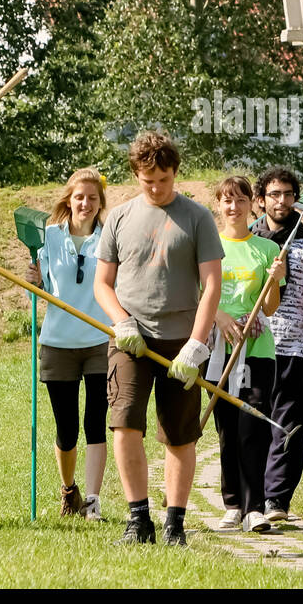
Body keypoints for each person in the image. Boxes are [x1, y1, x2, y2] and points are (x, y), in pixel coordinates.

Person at [94, 131, 223, 546]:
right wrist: (121, 321)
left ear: (175, 173)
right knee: (124, 423)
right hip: (130, 340)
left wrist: (196, 345)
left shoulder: (198, 217)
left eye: (163, 180)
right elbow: (102, 284)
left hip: (181, 342)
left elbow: (212, 286)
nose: (156, 188)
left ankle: (175, 524)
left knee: (179, 434)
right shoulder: (118, 217)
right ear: (136, 174)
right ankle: (138, 521)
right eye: (148, 180)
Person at [25, 167, 109, 520]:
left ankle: (92, 500)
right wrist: (34, 279)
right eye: (79, 197)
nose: (85, 204)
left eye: (92, 198)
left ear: (100, 202)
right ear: (68, 200)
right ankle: (69, 489)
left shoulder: (109, 239)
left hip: (101, 341)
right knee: (66, 428)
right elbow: (43, 286)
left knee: (96, 421)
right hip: (58, 342)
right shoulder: (47, 238)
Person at [208, 176, 287, 534]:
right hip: (217, 350)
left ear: (251, 204)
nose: (233, 207)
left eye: (240, 200)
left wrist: (275, 279)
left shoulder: (267, 249)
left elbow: (269, 308)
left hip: (257, 352)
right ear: (218, 205)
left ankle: (255, 507)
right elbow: (199, 297)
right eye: (227, 200)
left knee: (251, 427)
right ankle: (232, 504)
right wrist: (220, 316)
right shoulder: (208, 248)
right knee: (226, 429)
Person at [251, 166, 303, 523]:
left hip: (292, 347)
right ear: (261, 199)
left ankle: (276, 499)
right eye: (274, 194)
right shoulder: (249, 241)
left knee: (287, 425)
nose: (281, 201)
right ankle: (246, 499)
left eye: (287, 194)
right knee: (250, 424)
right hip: (252, 348)